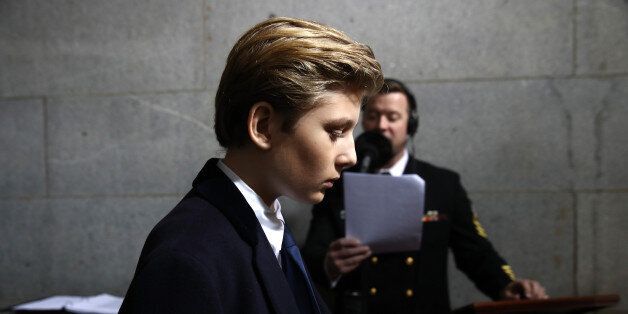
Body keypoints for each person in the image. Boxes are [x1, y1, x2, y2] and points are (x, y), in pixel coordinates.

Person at [119, 17, 383, 314]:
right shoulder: (186, 258)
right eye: (335, 132)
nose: (351, 156)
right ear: (263, 126)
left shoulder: (266, 225)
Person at [302, 78, 548, 314]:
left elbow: (475, 251)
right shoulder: (337, 181)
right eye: (374, 116)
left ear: (411, 125)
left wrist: (505, 286)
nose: (381, 125)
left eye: (393, 117)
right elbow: (314, 251)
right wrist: (330, 265)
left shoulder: (442, 185)